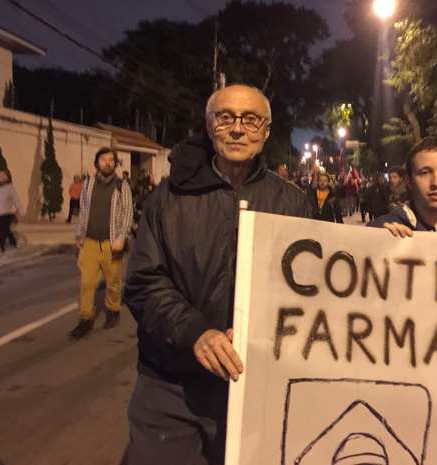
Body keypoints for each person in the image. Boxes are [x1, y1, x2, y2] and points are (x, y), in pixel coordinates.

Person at [123, 84, 313, 465]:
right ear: (210, 128)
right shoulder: (168, 197)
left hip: (258, 386)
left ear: (266, 130)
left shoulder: (293, 202)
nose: (238, 129)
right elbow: (143, 281)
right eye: (225, 118)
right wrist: (195, 332)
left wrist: (387, 242)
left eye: (250, 119)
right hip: (171, 385)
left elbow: (314, 289)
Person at [70, 148, 133, 339]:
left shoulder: (122, 186)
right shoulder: (88, 183)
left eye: (111, 160)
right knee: (87, 282)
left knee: (113, 283)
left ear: (115, 164)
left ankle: (113, 310)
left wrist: (121, 238)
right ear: (97, 162)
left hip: (111, 244)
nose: (107, 163)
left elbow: (128, 214)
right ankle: (85, 319)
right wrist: (79, 236)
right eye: (103, 159)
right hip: (89, 242)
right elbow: (83, 210)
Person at [0, 169, 25, 255]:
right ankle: (14, 242)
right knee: (5, 229)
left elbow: (17, 200)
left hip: (8, 212)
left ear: (7, 177)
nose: (0, 176)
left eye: (3, 175)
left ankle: (1, 248)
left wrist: (21, 210)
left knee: (2, 229)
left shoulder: (10, 188)